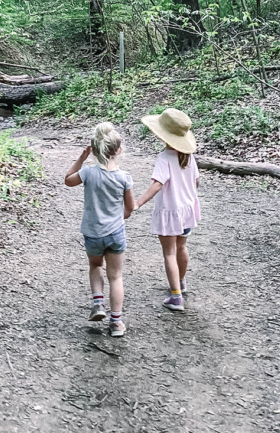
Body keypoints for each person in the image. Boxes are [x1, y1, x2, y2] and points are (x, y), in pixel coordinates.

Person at [65, 122, 134, 337]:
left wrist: (81, 159)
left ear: (94, 150)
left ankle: (97, 304)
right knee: (116, 276)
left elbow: (67, 180)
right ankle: (116, 323)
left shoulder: (87, 173)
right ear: (119, 150)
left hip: (93, 233)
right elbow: (129, 209)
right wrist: (117, 217)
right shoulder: (124, 178)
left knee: (95, 266)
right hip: (115, 233)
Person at [131, 108, 200, 312]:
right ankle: (181, 281)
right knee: (182, 247)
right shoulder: (189, 157)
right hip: (187, 210)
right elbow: (196, 181)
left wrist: (137, 203)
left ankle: (176, 297)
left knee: (169, 253)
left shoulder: (164, 158)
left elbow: (157, 185)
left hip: (170, 212)